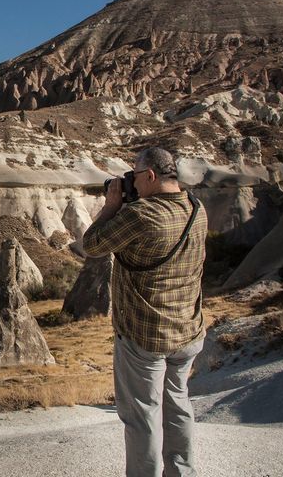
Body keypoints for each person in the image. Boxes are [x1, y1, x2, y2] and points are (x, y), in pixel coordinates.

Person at [83, 147, 207, 477]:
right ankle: (182, 472)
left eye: (135, 176)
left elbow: (93, 244)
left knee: (142, 416)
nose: (132, 184)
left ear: (150, 176)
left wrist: (112, 205)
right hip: (187, 331)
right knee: (178, 405)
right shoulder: (197, 208)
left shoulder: (141, 216)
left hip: (145, 336)